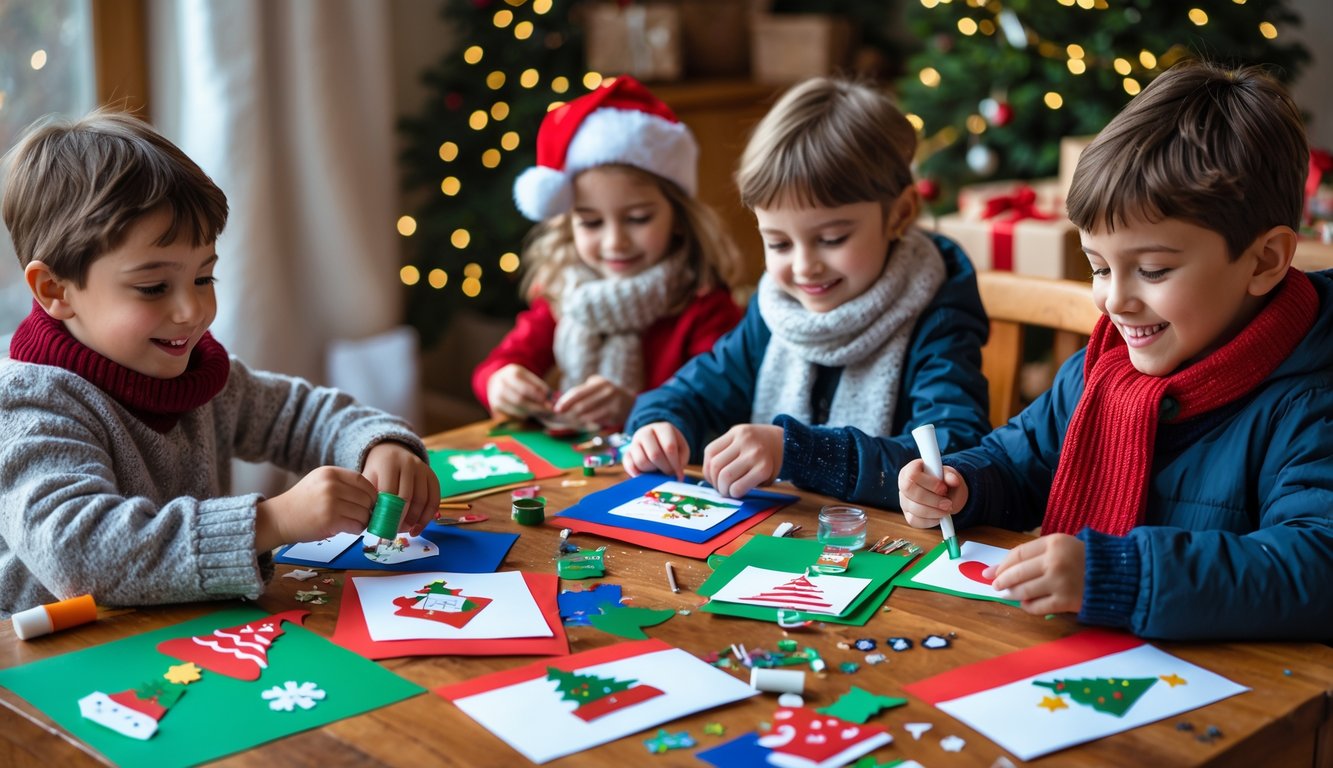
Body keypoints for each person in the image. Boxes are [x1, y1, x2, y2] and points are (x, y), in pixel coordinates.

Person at [898, 61, 1333, 641]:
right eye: (1099, 267)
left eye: (1152, 270)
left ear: (1265, 261)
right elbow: (1018, 460)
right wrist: (962, 484)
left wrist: (1121, 574)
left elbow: (1312, 568)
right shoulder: (1100, 372)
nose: (1114, 300)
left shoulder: (1310, 402)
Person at [0, 111, 441, 617]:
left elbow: (302, 415)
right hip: (55, 671)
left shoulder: (201, 375)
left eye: (204, 278)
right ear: (55, 290)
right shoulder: (26, 405)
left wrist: (377, 444)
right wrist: (271, 522)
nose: (191, 311)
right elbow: (80, 556)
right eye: (153, 287)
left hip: (177, 638)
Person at [623, 77, 990, 505]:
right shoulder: (777, 311)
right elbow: (692, 392)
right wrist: (659, 425)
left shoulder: (937, 313)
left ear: (900, 214)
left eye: (832, 238)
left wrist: (799, 452)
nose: (803, 267)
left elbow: (951, 458)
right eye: (778, 243)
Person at [471, 76, 743, 430]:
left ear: (678, 217)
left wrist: (637, 407)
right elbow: (497, 365)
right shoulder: (562, 293)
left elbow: (721, 408)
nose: (615, 242)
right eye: (591, 223)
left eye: (637, 218)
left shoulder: (706, 308)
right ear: (569, 224)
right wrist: (502, 382)